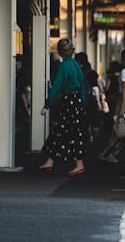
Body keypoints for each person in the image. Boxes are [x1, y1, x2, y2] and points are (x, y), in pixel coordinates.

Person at [39, 38, 86, 177]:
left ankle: (76, 164)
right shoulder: (75, 64)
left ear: (60, 52)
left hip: (68, 102)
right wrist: (83, 102)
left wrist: (47, 105)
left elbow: (57, 87)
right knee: (73, 132)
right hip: (77, 102)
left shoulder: (64, 66)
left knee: (61, 130)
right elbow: (82, 84)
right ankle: (52, 161)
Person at [75, 52, 103, 142]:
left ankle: (85, 135)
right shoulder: (92, 72)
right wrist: (99, 102)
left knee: (83, 118)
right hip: (92, 100)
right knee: (91, 117)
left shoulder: (77, 72)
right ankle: (91, 134)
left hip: (81, 99)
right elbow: (97, 88)